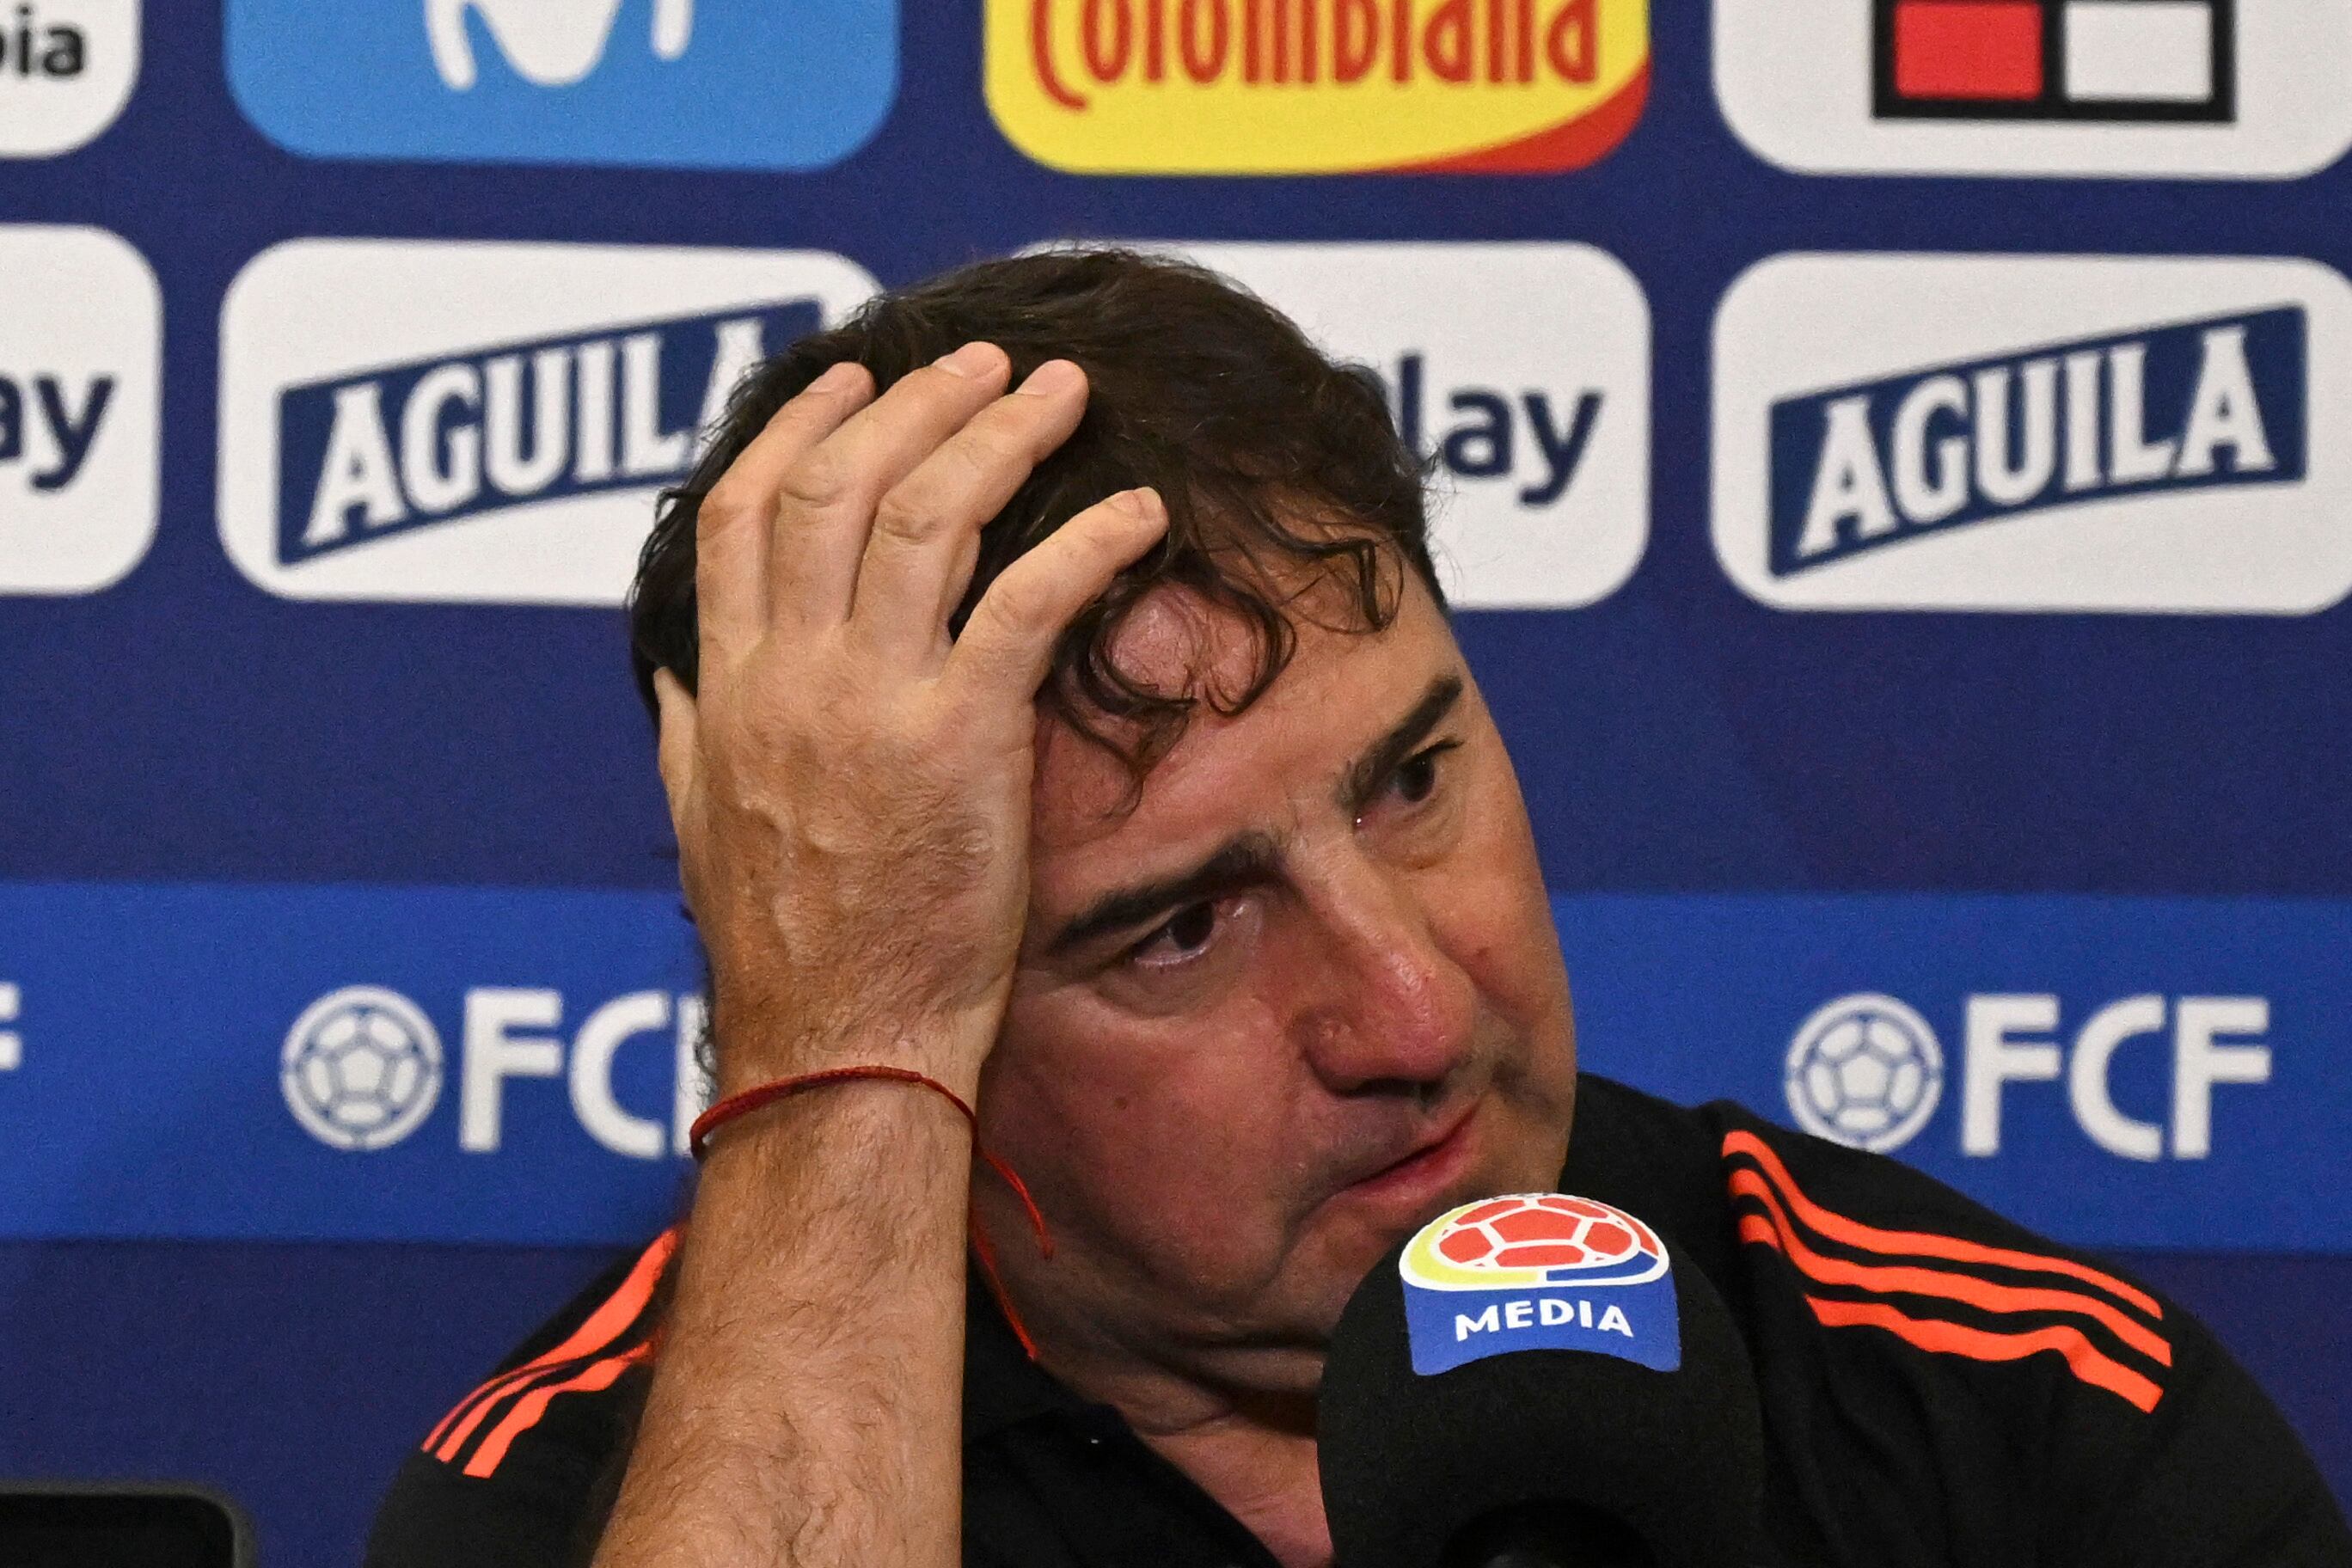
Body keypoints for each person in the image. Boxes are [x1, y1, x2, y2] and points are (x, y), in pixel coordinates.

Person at [364, 248, 2351, 1568]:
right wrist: (838, 1066)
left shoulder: (2005, 1417)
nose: (1414, 1011)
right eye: (1181, 926)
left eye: (1413, 781)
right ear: (918, 993)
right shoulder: (590, 1501)